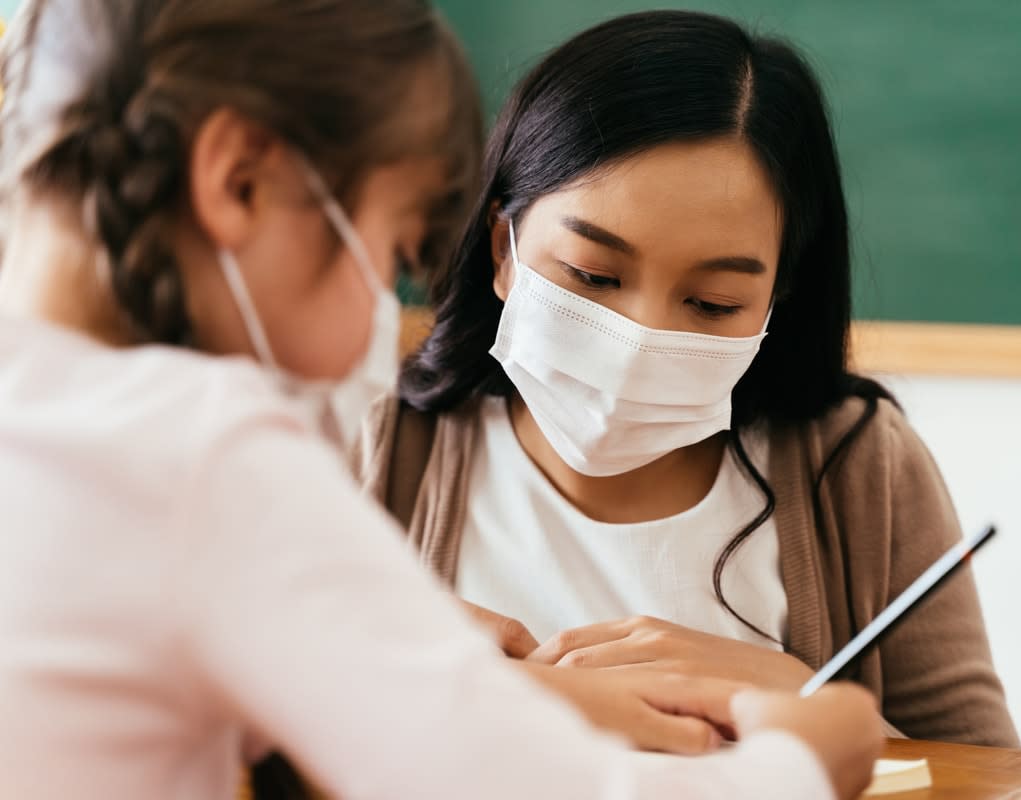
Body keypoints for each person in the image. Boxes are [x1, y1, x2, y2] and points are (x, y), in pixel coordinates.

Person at [0, 1, 884, 798]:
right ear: (239, 183)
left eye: (713, 302)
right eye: (388, 246)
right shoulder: (205, 453)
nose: (383, 310)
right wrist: (804, 757)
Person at [357, 8, 1020, 748]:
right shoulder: (371, 448)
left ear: (777, 301)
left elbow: (993, 782)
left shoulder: (855, 465)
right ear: (502, 249)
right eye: (591, 274)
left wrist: (796, 696)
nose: (639, 342)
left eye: (713, 303)